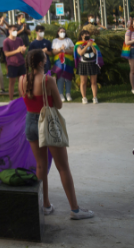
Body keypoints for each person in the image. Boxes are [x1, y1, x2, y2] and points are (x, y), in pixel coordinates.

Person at [19, 50, 94, 220]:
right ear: (40, 63)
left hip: (30, 122)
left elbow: (24, 99)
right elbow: (58, 105)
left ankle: (44, 205)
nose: (46, 62)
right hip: (47, 123)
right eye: (45, 60)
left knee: (40, 166)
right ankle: (75, 209)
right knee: (63, 167)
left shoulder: (22, 79)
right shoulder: (48, 80)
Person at [75, 31, 102, 104]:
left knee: (93, 82)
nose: (87, 36)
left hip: (93, 63)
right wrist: (87, 45)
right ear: (81, 36)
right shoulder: (79, 44)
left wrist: (91, 45)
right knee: (83, 82)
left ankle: (95, 97)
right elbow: (80, 53)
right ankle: (84, 98)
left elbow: (96, 52)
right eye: (85, 35)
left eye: (88, 34)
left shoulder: (93, 43)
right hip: (83, 64)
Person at [3, 25, 27, 101]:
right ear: (9, 31)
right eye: (13, 30)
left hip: (21, 63)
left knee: (22, 82)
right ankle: (11, 100)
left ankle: (21, 100)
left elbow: (22, 52)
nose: (15, 31)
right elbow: (6, 54)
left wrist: (23, 50)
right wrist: (17, 50)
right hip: (12, 64)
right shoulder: (6, 41)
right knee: (12, 82)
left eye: (16, 30)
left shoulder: (19, 40)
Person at [51, 27, 75, 102]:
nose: (62, 33)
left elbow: (72, 50)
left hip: (68, 61)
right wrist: (60, 49)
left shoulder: (68, 40)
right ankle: (60, 94)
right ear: (58, 32)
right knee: (60, 76)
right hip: (59, 61)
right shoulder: (55, 41)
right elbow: (53, 52)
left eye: (64, 31)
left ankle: (68, 93)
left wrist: (66, 50)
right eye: (61, 31)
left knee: (68, 77)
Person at [125, 18, 134, 94]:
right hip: (132, 51)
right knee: (133, 70)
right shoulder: (129, 31)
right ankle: (133, 88)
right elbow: (127, 42)